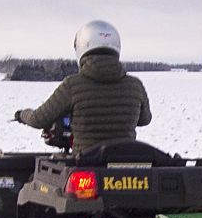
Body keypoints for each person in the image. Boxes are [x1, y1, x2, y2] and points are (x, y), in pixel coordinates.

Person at [14, 20, 152, 155]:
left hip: (85, 163)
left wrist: (21, 114)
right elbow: (145, 119)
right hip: (126, 164)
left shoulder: (73, 85)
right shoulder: (135, 86)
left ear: (82, 47)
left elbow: (38, 119)